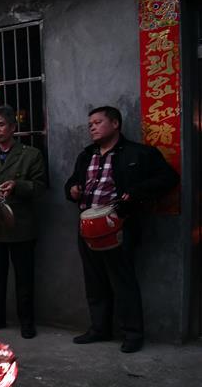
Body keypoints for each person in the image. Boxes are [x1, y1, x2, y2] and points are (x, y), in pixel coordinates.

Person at [65, 106, 179, 353]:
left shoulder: (138, 153)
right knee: (94, 281)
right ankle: (99, 329)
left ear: (115, 124)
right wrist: (73, 188)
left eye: (98, 122)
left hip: (117, 225)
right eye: (90, 124)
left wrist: (137, 192)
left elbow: (168, 178)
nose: (92, 127)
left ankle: (133, 334)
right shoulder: (86, 155)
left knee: (123, 281)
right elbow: (72, 181)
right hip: (87, 226)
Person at [0, 106, 46, 339]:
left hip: (21, 226)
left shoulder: (31, 154)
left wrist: (18, 185)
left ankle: (27, 321)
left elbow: (40, 187)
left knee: (24, 277)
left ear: (13, 127)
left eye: (1, 125)